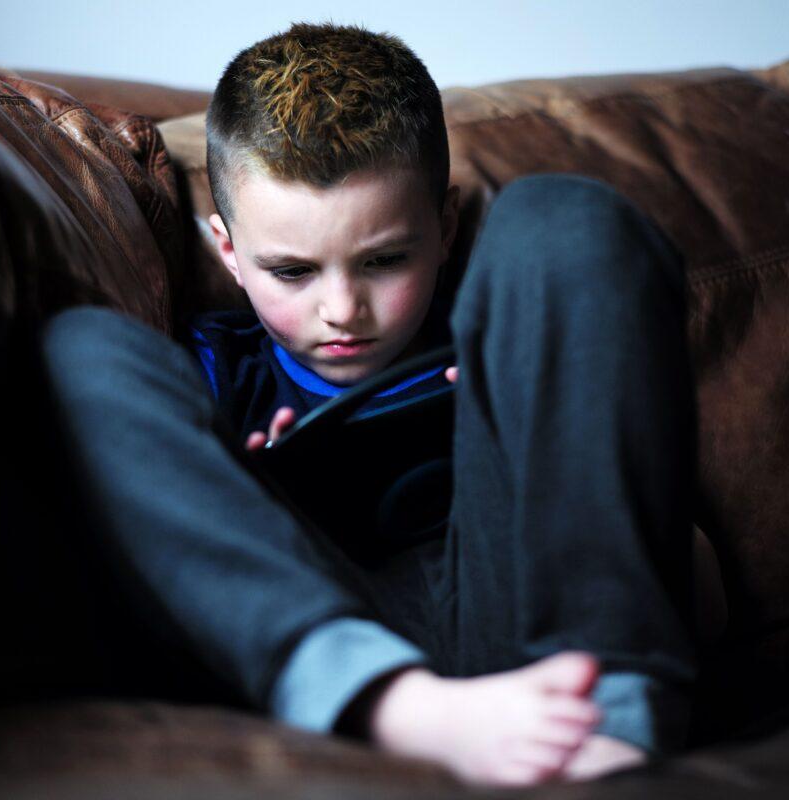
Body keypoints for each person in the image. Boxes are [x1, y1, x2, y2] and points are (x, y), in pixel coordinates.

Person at [38, 21, 699, 788]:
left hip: (520, 632)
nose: (343, 310)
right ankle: (385, 700)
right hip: (300, 634)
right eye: (293, 272)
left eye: (383, 261)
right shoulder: (214, 366)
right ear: (229, 252)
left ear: (444, 229)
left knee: (564, 216)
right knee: (83, 345)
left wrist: (581, 492)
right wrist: (243, 484)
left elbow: (698, 580)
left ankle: (609, 712)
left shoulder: (512, 327)